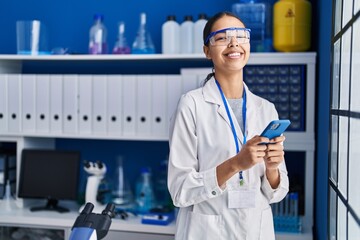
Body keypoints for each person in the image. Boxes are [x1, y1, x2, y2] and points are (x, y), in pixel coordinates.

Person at [167, 11, 289, 240]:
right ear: (207, 51)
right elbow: (179, 191)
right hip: (207, 232)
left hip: (256, 231)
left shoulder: (266, 109)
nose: (234, 43)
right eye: (222, 37)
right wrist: (235, 164)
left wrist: (272, 168)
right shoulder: (191, 105)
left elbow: (277, 193)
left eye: (241, 36)